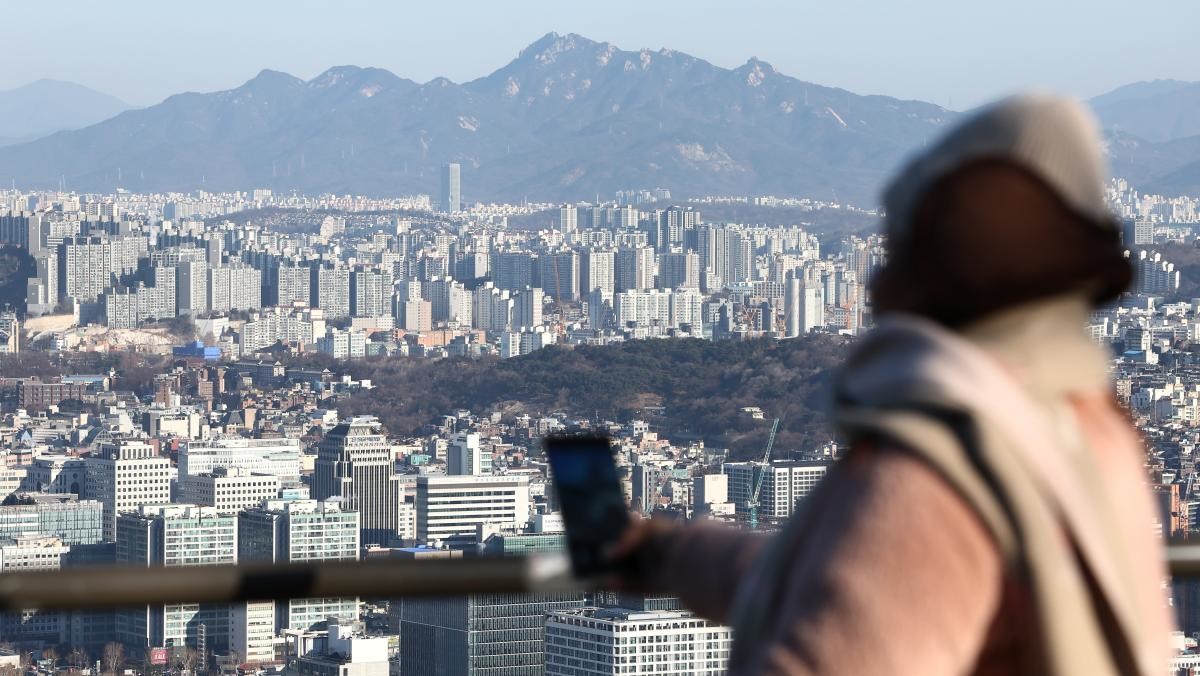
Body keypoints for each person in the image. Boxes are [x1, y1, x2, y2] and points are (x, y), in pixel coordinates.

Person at [609, 93, 1174, 676]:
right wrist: (670, 555)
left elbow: (884, 578)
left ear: (940, 263)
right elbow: (855, 586)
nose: (877, 275)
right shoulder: (1086, 430)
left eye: (898, 242)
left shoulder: (944, 471)